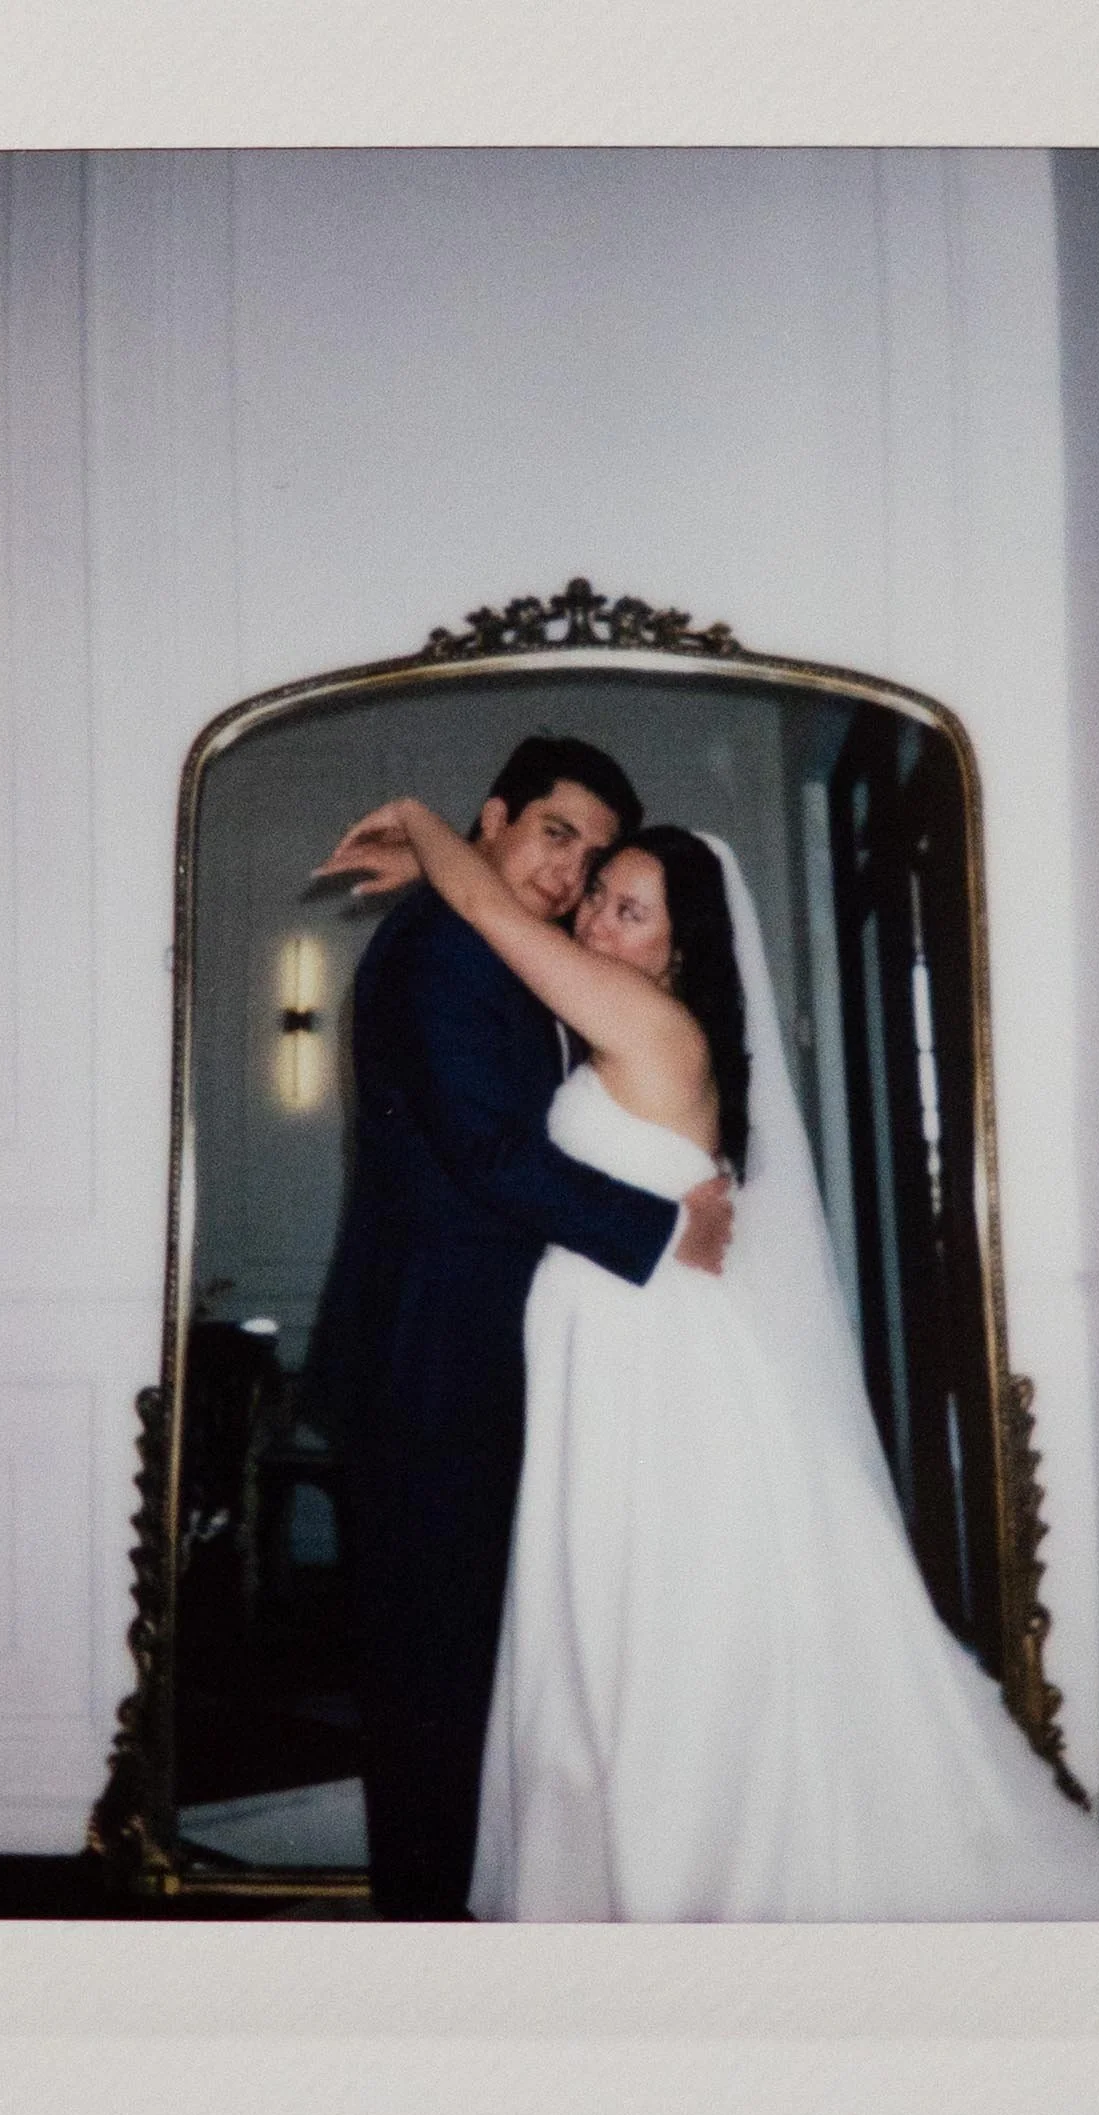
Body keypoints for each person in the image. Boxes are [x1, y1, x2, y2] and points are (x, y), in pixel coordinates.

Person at [322, 792, 1099, 1921]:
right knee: (603, 1635)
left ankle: (676, 1870)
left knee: (654, 1635)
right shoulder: (616, 1022)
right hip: (610, 1359)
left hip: (652, 1373)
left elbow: (492, 910)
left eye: (629, 911)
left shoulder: (648, 1025)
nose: (595, 923)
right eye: (595, 897)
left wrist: (421, 827)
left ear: (684, 949)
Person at [303, 738, 734, 1920]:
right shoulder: (448, 952)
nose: (573, 873)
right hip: (428, 1367)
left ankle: (476, 1896)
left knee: (484, 1667)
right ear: (492, 817)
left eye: (597, 859)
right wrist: (662, 1231)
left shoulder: (506, 951)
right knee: (432, 1678)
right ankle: (428, 1931)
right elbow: (494, 1157)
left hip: (491, 1366)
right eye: (556, 833)